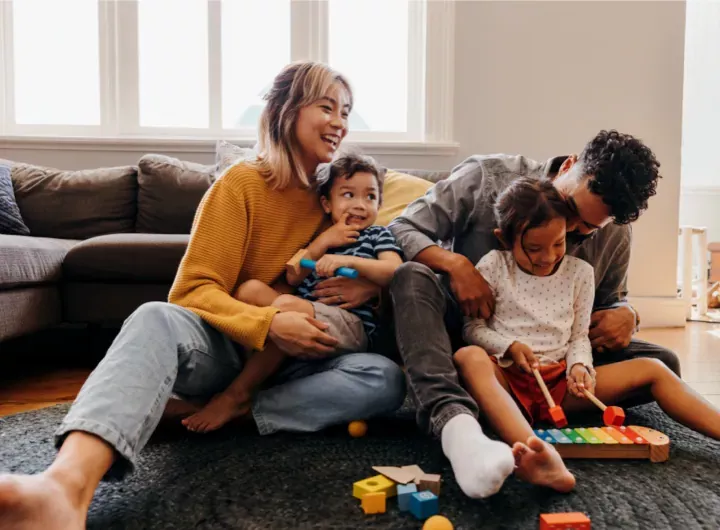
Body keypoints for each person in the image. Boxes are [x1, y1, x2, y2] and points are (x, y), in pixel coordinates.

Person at [0, 61, 406, 530]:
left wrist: (369, 287)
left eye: (347, 111)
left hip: (300, 365)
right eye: (327, 107)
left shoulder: (335, 199)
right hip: (227, 349)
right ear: (285, 110)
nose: (340, 122)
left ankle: (221, 411)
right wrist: (268, 322)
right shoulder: (240, 185)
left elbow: (375, 260)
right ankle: (63, 488)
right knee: (154, 316)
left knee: (383, 379)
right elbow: (191, 290)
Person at [388, 130, 678, 499]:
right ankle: (454, 420)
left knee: (663, 362)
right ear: (570, 166)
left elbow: (610, 302)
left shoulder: (616, 232)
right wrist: (456, 265)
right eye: (571, 210)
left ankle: (517, 407)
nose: (569, 232)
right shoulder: (485, 177)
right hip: (461, 337)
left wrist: (628, 314)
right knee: (411, 277)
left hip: (550, 360)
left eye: (585, 230)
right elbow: (402, 227)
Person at [455, 177, 720, 495]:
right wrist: (509, 346)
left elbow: (579, 337)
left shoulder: (580, 273)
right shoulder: (494, 266)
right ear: (504, 239)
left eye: (558, 243)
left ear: (568, 229)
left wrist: (580, 367)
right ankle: (538, 453)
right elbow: (473, 329)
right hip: (508, 382)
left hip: (561, 386)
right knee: (467, 357)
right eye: (533, 248)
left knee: (655, 368)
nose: (547, 257)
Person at [182, 154, 403, 433]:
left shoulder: (377, 235)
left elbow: (395, 271)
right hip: (303, 317)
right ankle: (257, 382)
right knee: (249, 290)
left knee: (287, 305)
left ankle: (238, 394)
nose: (359, 204)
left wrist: (351, 262)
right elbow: (293, 274)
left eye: (370, 197)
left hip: (348, 325)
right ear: (327, 203)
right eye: (348, 195)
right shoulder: (321, 236)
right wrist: (323, 243)